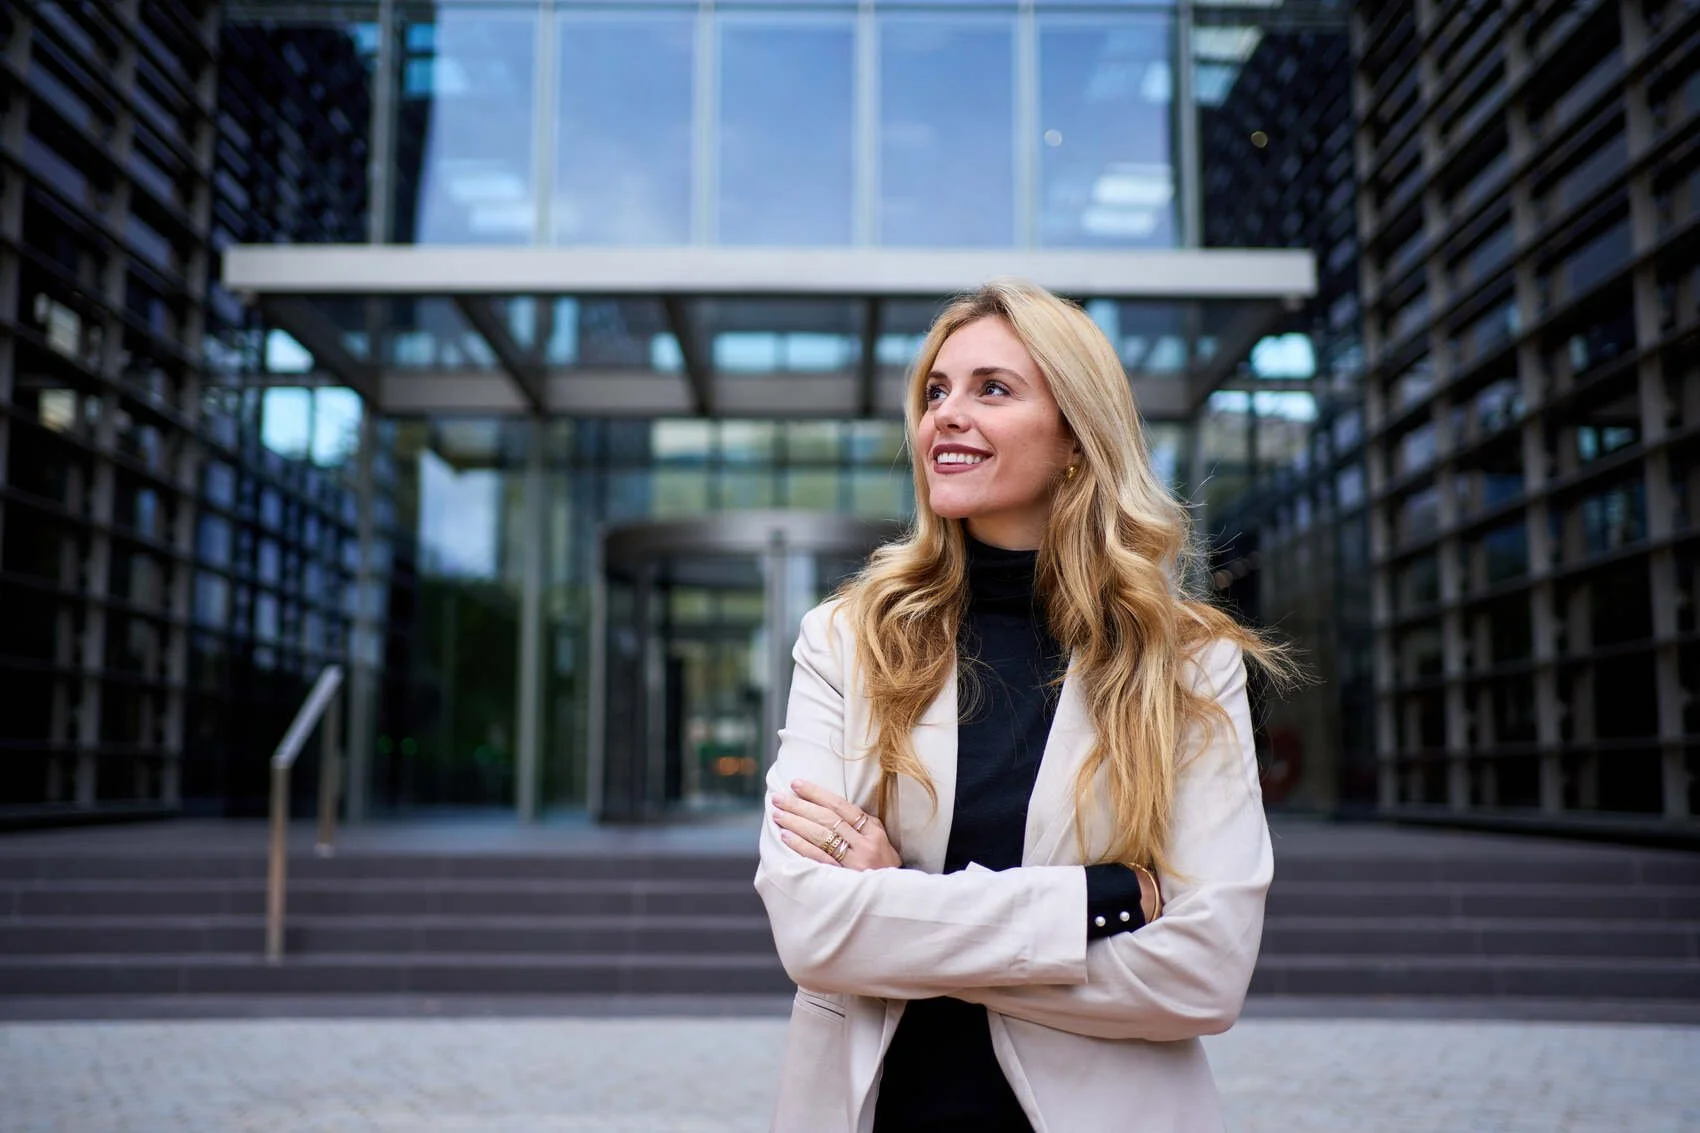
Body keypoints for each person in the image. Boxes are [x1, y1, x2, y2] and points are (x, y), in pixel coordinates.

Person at [754, 278, 1293, 1133]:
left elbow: (1206, 972)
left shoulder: (1187, 663)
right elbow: (815, 930)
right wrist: (1095, 903)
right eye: (936, 391)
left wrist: (896, 902)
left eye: (991, 389)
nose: (945, 416)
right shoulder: (846, 642)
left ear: (1077, 439)